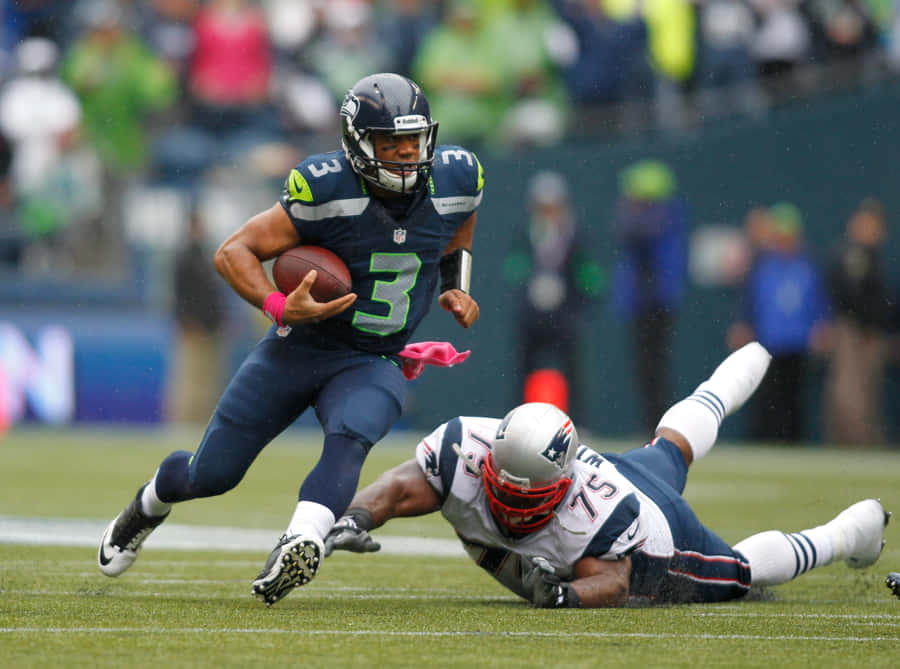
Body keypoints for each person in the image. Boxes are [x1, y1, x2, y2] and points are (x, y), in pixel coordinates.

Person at [97, 73, 482, 607]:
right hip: (298, 348)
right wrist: (279, 306)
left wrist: (455, 286)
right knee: (211, 474)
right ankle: (147, 504)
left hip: (374, 356)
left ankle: (301, 539)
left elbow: (458, 231)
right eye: (389, 145)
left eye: (412, 143)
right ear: (356, 144)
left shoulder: (457, 178)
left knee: (354, 431)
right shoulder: (326, 187)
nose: (404, 156)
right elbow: (233, 251)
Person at [324, 342, 890, 608]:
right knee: (670, 445)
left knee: (739, 574)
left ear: (562, 484)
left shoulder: (595, 517)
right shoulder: (463, 446)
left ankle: (849, 531)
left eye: (531, 497)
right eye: (502, 485)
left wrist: (566, 597)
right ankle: (752, 357)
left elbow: (613, 580)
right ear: (488, 456)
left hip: (656, 532)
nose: (512, 507)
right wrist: (353, 516)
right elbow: (399, 488)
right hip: (615, 470)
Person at [502, 170, 603, 424]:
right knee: (525, 369)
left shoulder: (576, 234)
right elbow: (514, 267)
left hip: (565, 314)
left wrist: (582, 298)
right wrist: (528, 285)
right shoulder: (525, 233)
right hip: (532, 315)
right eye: (542, 206)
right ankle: (519, 422)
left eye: (553, 206)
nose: (548, 211)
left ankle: (578, 423)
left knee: (572, 371)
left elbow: (589, 273)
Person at [727, 202, 830, 443]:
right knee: (764, 399)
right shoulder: (761, 266)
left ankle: (792, 443)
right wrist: (743, 326)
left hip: (797, 343)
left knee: (794, 399)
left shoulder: (807, 267)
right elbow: (749, 303)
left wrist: (822, 327)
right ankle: (762, 443)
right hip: (766, 343)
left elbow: (819, 304)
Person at [610, 159, 688, 434]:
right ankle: (652, 423)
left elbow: (633, 231)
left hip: (655, 303)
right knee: (647, 368)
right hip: (646, 302)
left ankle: (659, 424)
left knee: (655, 367)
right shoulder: (661, 216)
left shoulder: (659, 216)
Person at [823, 198, 892, 446]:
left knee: (865, 393)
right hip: (853, 331)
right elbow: (845, 295)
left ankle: (861, 443)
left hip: (871, 333)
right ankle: (850, 444)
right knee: (848, 392)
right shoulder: (851, 254)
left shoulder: (873, 256)